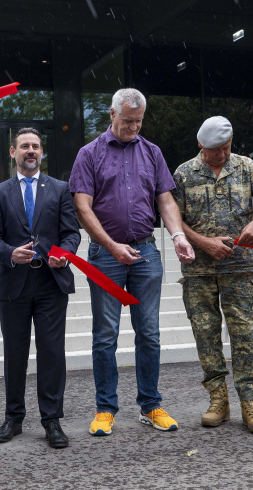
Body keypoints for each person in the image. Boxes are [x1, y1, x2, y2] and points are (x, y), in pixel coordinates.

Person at [70, 88, 195, 436]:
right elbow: (82, 207)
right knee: (105, 336)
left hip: (145, 253)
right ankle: (105, 409)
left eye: (139, 121)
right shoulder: (89, 153)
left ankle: (150, 405)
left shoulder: (152, 152)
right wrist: (111, 246)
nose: (133, 127)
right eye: (127, 121)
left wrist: (178, 236)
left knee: (149, 333)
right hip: (105, 255)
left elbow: (165, 201)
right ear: (112, 114)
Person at [172, 116, 253, 433]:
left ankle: (251, 404)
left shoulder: (245, 166)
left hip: (239, 268)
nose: (222, 154)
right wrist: (203, 242)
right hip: (198, 271)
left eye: (227, 148)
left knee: (243, 336)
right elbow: (173, 218)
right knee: (206, 337)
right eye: (215, 150)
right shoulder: (184, 173)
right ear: (200, 145)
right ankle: (218, 400)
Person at [0, 127, 81, 449]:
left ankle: (51, 419)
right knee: (15, 353)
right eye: (24, 146)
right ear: (13, 152)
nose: (30, 151)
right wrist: (9, 254)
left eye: (35, 146)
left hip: (51, 282)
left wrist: (63, 255)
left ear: (42, 152)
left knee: (51, 353)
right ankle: (13, 418)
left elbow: (71, 233)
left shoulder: (60, 189)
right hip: (14, 283)